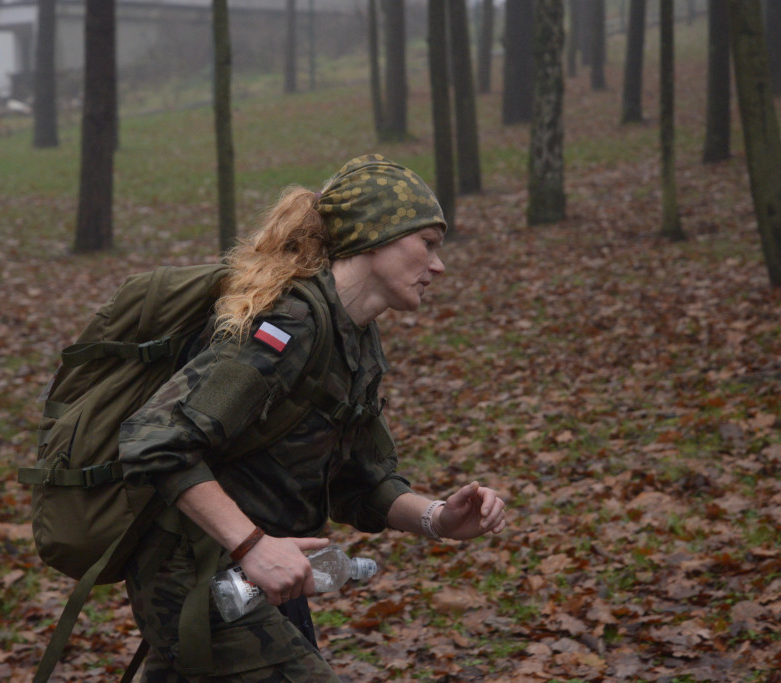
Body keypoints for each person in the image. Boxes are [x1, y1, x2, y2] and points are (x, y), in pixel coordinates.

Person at [119, 154, 507, 681]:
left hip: (267, 571)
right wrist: (252, 546)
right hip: (199, 572)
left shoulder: (355, 337)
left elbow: (361, 482)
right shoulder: (286, 327)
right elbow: (154, 442)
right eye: (428, 245)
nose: (439, 266)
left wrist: (438, 518)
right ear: (376, 238)